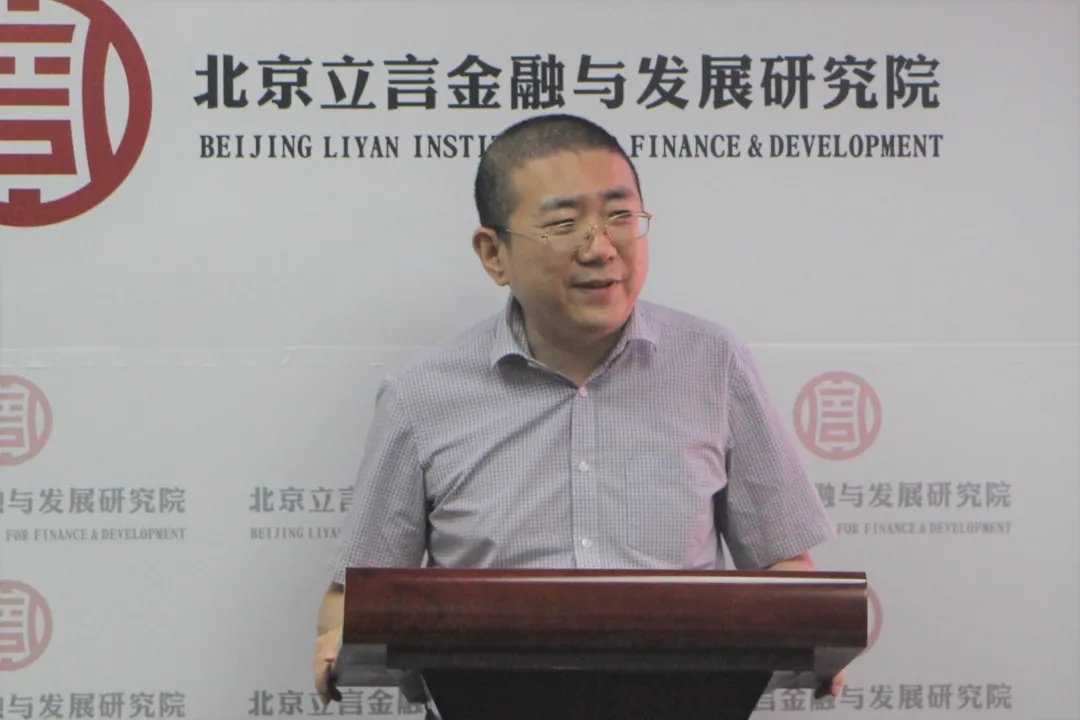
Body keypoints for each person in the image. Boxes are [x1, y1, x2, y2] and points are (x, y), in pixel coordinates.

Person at [313, 112, 844, 706]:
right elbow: (354, 595)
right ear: (493, 253)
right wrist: (338, 635)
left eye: (620, 216)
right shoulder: (422, 396)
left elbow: (782, 566)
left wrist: (814, 629)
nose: (601, 248)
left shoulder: (714, 364)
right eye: (564, 224)